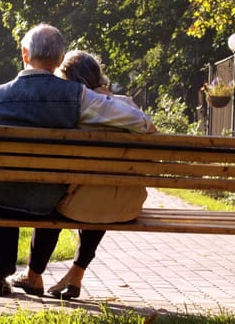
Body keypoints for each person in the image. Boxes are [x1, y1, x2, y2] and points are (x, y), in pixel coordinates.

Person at [0, 24, 156, 297]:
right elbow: (140, 122)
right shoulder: (78, 97)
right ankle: (5, 272)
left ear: (25, 53)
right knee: (13, 183)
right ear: (60, 58)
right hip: (45, 201)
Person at [8, 50, 149, 300]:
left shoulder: (75, 110)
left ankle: (33, 275)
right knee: (102, 189)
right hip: (127, 206)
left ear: (66, 78)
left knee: (55, 198)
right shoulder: (126, 105)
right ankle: (76, 274)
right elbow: (151, 129)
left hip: (77, 205)